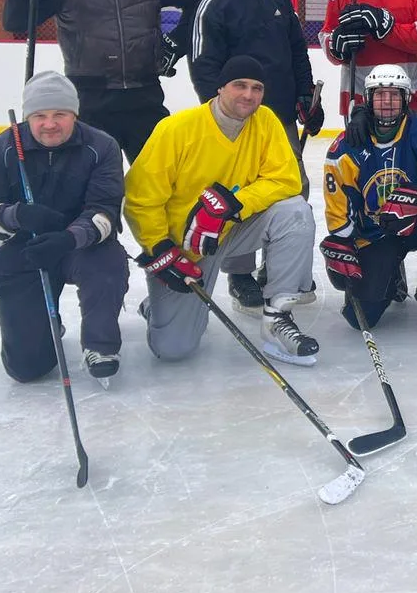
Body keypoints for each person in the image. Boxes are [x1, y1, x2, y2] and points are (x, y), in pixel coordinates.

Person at [123, 55, 322, 366]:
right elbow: (139, 198)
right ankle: (158, 307)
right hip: (186, 247)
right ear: (220, 88)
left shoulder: (266, 121)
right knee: (174, 348)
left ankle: (277, 318)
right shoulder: (176, 129)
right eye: (239, 85)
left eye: (257, 88)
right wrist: (160, 247)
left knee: (294, 212)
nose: (248, 95)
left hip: (233, 229)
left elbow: (286, 179)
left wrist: (234, 205)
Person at [2, 0, 203, 161]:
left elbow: (198, 6)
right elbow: (16, 23)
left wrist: (173, 45)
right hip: (89, 100)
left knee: (162, 184)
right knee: (94, 187)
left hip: (143, 97)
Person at [0, 71, 128, 382]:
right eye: (40, 116)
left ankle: (100, 344)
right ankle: (37, 321)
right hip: (23, 252)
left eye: (60, 114)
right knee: (27, 368)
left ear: (74, 114)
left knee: (108, 262)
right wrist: (16, 216)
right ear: (27, 116)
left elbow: (105, 214)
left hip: (80, 245)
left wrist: (68, 238)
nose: (50, 124)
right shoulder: (1, 149)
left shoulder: (101, 147)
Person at [189, 0, 326, 310]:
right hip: (236, 124)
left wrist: (305, 97)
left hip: (279, 119)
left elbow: (298, 52)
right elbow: (203, 66)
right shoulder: (214, 6)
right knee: (240, 196)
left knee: (291, 191)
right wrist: (222, 117)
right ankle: (240, 274)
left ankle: (280, 267)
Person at [320, 65, 417, 337]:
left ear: (406, 99)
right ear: (368, 99)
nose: (387, 102)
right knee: (360, 319)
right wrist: (343, 241)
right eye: (380, 95)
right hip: (377, 232)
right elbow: (338, 203)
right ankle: (391, 276)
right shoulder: (347, 145)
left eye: (394, 95)